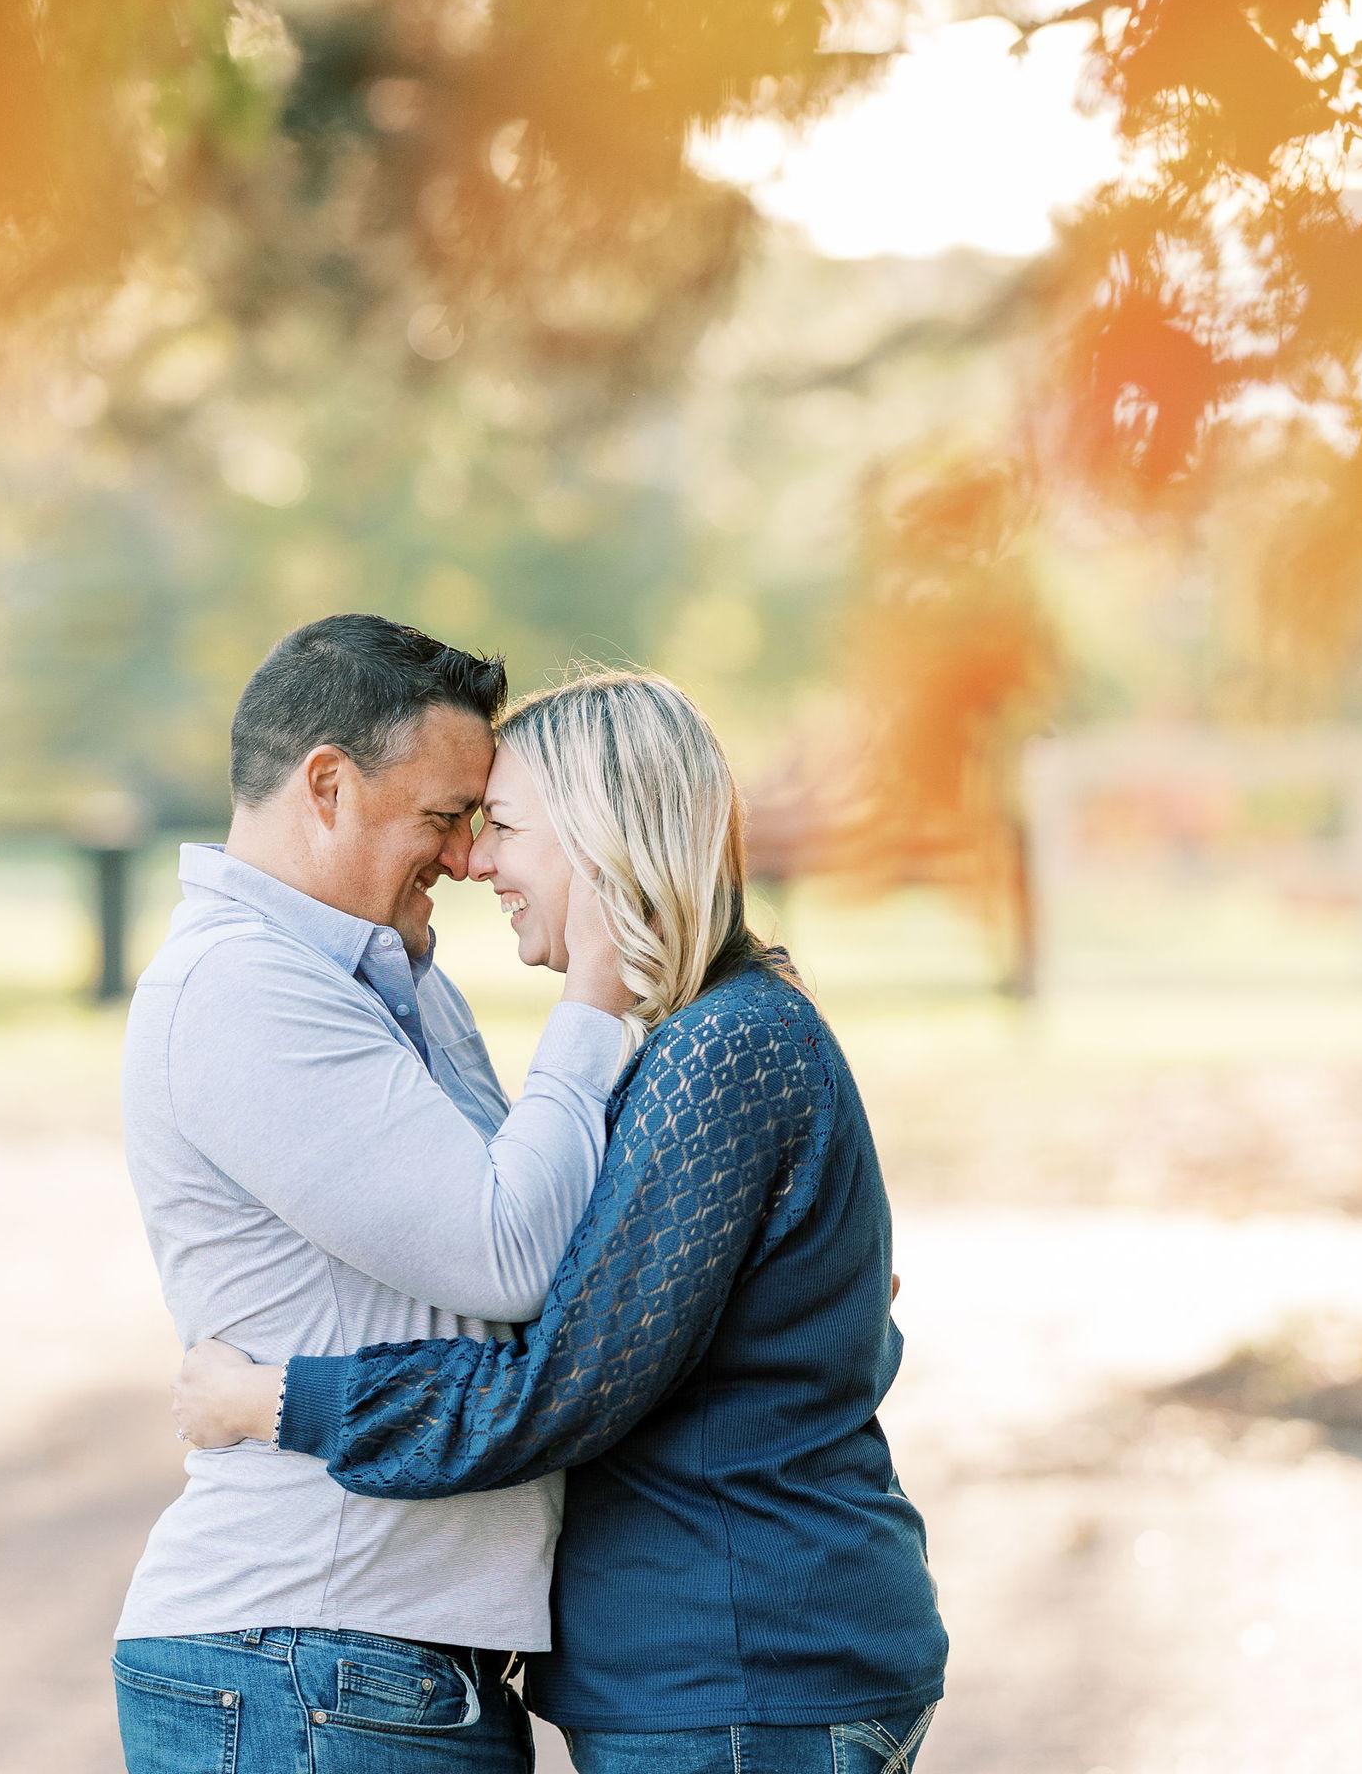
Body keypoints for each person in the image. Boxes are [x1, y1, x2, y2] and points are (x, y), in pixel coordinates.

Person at [174, 669, 949, 1774]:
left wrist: (281, 1398)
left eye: (501, 826)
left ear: (597, 839)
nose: (476, 860)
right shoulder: (705, 1042)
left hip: (739, 1678)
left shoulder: (721, 1051)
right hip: (729, 1674)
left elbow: (556, 1388)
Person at [113, 614, 636, 1774]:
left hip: (370, 1660)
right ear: (327, 785)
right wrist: (594, 999)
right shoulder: (242, 992)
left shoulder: (376, 973)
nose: (463, 857)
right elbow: (509, 1251)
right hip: (308, 1651)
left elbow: (545, 1226)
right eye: (443, 816)